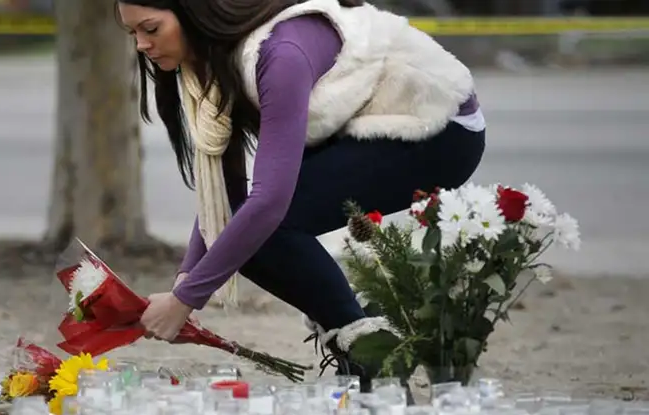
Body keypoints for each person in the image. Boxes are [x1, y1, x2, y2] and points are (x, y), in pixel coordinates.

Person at [120, 0, 486, 391]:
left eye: (151, 29)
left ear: (193, 14)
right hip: (368, 123)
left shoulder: (279, 56)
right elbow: (223, 197)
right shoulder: (214, 65)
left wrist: (185, 301)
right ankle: (368, 347)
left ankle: (373, 359)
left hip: (439, 128)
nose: (141, 44)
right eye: (133, 33)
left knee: (262, 233)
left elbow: (266, 207)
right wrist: (184, 285)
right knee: (249, 232)